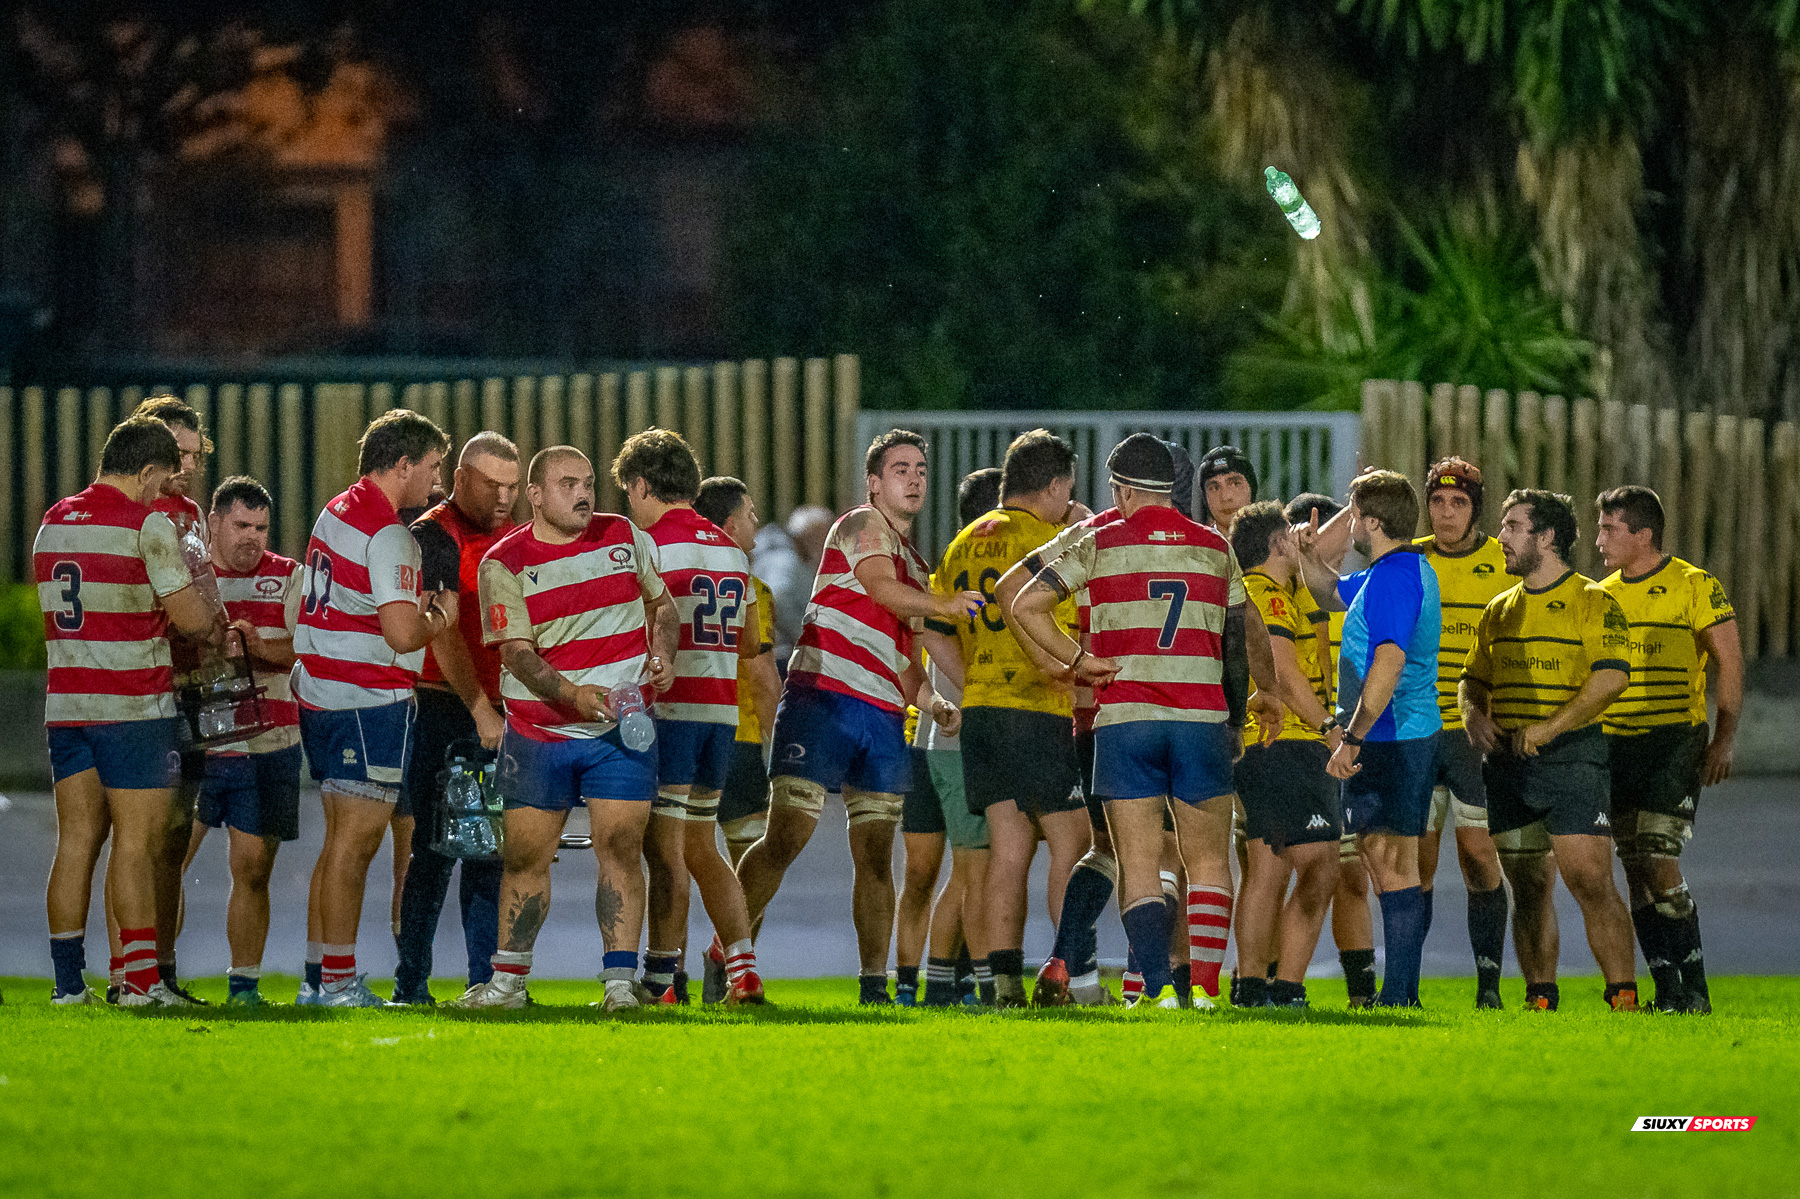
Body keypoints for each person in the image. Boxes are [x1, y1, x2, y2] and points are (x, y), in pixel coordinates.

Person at [1011, 434, 1281, 1010]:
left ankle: (1156, 991)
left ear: (1124, 490)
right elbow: (1236, 643)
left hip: (1126, 721)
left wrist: (1078, 661)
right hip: (1200, 718)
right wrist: (1237, 717)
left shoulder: (1098, 538)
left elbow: (1023, 604)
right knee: (1208, 861)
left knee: (1136, 865)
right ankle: (1203, 989)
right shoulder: (1215, 545)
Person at [736, 429, 978, 1005]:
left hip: (883, 715)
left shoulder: (917, 566)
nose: (914, 479)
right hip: (823, 698)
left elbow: (903, 659)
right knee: (787, 836)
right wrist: (944, 604)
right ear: (873, 483)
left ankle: (874, 988)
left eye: (920, 470)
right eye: (900, 469)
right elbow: (879, 588)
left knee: (874, 855)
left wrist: (934, 701)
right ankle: (731, 956)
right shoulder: (860, 524)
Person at [452, 446, 678, 1010]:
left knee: (621, 848)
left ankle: (619, 985)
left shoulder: (622, 535)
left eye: (589, 483)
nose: (583, 494)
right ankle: (508, 984)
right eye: (568, 484)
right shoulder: (503, 562)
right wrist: (573, 696)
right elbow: (517, 654)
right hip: (540, 731)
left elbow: (664, 606)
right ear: (535, 495)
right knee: (524, 858)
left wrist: (664, 653)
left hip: (620, 731)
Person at [38, 417, 222, 1005]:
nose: (163, 491)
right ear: (144, 472)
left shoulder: (53, 521)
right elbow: (192, 620)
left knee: (75, 844)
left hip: (67, 705)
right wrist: (209, 616)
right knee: (137, 846)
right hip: (133, 705)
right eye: (161, 479)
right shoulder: (147, 526)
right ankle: (140, 982)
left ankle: (69, 985)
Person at [293, 409, 454, 1007]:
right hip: (366, 699)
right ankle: (338, 982)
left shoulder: (336, 508)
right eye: (432, 466)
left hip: (323, 690)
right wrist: (440, 615)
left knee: (340, 841)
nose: (437, 482)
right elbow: (403, 634)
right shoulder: (388, 533)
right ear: (403, 464)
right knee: (356, 845)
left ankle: (319, 977)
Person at [922, 432, 1088, 1009]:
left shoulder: (961, 543)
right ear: (1055, 485)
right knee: (1074, 840)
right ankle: (1071, 973)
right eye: (1068, 488)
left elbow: (932, 631)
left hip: (983, 713)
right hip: (1036, 706)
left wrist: (973, 683)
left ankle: (1003, 983)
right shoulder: (1048, 542)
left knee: (1008, 848)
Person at [1460, 488, 1640, 1012]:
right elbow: (1472, 679)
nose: (1500, 537)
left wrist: (1550, 728)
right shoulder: (1499, 609)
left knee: (1590, 880)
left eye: (1513, 527)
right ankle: (1540, 996)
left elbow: (1611, 679)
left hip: (1572, 759)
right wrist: (1473, 717)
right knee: (1528, 885)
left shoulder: (1592, 600)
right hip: (1508, 763)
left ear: (1547, 537)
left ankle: (1623, 995)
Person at [618, 431, 767, 1007]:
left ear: (640, 485)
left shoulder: (647, 545)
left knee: (666, 852)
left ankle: (661, 981)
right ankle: (744, 971)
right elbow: (750, 643)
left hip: (671, 710)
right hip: (721, 714)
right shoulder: (731, 550)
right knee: (703, 847)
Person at [1295, 470, 1442, 1008]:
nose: (1350, 526)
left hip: (1392, 739)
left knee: (1392, 864)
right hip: (1397, 737)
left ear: (1373, 523)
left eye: (1354, 516)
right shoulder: (1390, 572)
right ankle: (1399, 993)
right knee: (1387, 862)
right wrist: (1308, 557)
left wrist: (1352, 737)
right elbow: (1330, 593)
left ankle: (1400, 995)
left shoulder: (1394, 579)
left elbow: (1389, 659)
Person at [1596, 485, 1741, 1014]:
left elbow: (1730, 662)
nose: (1599, 541)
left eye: (1609, 529)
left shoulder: (1694, 584)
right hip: (1615, 745)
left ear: (1643, 534)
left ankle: (1696, 989)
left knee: (1659, 859)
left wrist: (1723, 738)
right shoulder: (1601, 594)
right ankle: (1669, 992)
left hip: (1675, 741)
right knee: (1635, 867)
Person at [391, 432, 520, 1006]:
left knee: (491, 852)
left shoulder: (514, 535)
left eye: (512, 486)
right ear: (461, 479)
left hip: (501, 708)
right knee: (435, 850)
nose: (503, 497)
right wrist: (479, 708)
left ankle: (483, 983)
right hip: (446, 706)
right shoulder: (433, 534)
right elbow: (441, 634)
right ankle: (411, 983)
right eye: (492, 485)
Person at [177, 477, 303, 1007]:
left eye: (261, 528)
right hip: (196, 743)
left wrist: (258, 645)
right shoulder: (186, 577)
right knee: (164, 863)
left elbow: (307, 649)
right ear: (213, 523)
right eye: (241, 525)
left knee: (252, 868)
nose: (253, 536)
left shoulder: (288, 576)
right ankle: (151, 977)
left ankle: (243, 989)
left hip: (269, 741)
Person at [110, 394, 215, 1003]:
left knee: (173, 838)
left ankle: (163, 970)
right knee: (134, 837)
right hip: (144, 688)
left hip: (190, 685)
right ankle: (127, 972)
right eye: (179, 453)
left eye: (197, 454)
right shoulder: (132, 513)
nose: (189, 466)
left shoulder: (190, 512)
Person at [1229, 502, 1344, 1008]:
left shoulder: (1268, 588)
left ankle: (1255, 987)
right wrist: (1329, 728)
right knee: (1317, 865)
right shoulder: (1268, 594)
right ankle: (1282, 987)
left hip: (1268, 744)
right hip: (1286, 742)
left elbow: (1333, 558)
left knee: (1269, 868)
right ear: (1278, 544)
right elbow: (1281, 673)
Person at [899, 468, 999, 1007]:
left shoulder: (943, 570)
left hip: (932, 739)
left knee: (942, 873)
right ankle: (948, 983)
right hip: (950, 740)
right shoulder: (967, 576)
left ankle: (924, 983)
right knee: (965, 871)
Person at [1413, 458, 1511, 1008]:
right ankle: (1407, 983)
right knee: (1417, 862)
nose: (1447, 512)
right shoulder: (1408, 559)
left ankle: (1489, 987)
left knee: (1477, 854)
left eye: (1459, 502)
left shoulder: (1503, 561)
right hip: (1419, 732)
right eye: (1438, 501)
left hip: (1475, 737)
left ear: (1475, 509)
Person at [693, 475, 783, 1000]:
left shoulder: (669, 575)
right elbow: (763, 678)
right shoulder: (751, 590)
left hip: (679, 732)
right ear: (729, 525)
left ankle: (662, 976)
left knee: (674, 859)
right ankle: (732, 966)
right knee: (752, 867)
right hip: (738, 739)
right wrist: (780, 749)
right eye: (750, 515)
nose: (757, 523)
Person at [1286, 492, 1374, 1006]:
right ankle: (1267, 982)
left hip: (1351, 743)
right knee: (1275, 873)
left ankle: (1361, 993)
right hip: (1302, 746)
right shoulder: (1292, 592)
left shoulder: (1357, 592)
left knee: (1352, 876)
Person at [755, 503, 835, 666]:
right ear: (800, 537)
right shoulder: (786, 560)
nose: (824, 542)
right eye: (817, 536)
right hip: (780, 655)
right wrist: (805, 638)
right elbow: (778, 599)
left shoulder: (800, 561)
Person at [1198, 445, 1257, 535]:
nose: (1225, 497)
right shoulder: (1195, 543)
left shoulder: (1274, 540)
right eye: (1215, 488)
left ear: (1251, 488)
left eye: (1235, 484)